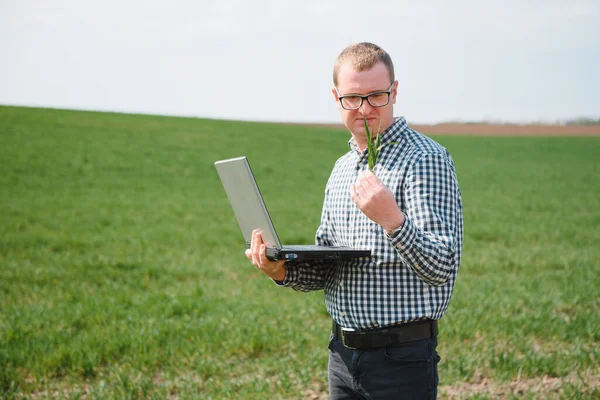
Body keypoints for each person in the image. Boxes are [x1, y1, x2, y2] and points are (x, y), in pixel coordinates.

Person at [246, 42, 463, 399]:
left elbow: (441, 266)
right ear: (336, 98)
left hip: (401, 360)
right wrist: (279, 270)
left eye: (376, 95)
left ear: (394, 92)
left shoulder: (425, 159)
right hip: (342, 356)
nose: (364, 109)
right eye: (352, 98)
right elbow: (330, 265)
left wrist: (392, 219)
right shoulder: (342, 169)